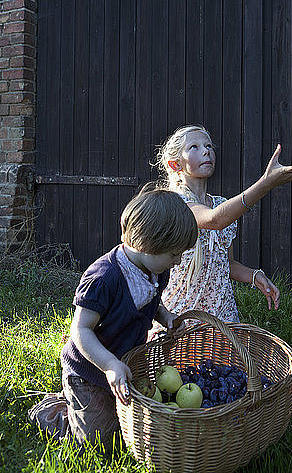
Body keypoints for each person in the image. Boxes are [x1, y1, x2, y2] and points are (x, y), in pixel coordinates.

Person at [28, 188, 198, 450]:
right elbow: (81, 329)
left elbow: (152, 302)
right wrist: (108, 364)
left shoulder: (155, 269)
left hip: (124, 365)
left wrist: (166, 317)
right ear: (147, 243)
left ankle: (84, 404)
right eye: (174, 254)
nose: (178, 261)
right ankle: (53, 412)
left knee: (131, 427)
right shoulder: (104, 279)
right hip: (89, 370)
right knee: (98, 442)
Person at [148, 124, 292, 338]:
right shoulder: (174, 203)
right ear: (175, 164)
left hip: (222, 315)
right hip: (181, 314)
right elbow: (214, 220)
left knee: (219, 371)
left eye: (208, 145)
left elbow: (226, 263)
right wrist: (266, 183)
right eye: (194, 147)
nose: (206, 150)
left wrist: (255, 276)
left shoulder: (220, 204)